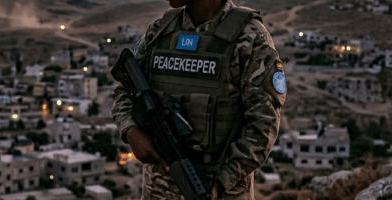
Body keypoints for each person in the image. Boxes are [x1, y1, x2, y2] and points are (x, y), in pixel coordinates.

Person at [111, 0, 286, 199]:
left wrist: (220, 182)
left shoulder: (249, 36)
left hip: (218, 190)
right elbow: (125, 90)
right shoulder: (161, 30)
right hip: (158, 188)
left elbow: (263, 123)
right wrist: (130, 130)